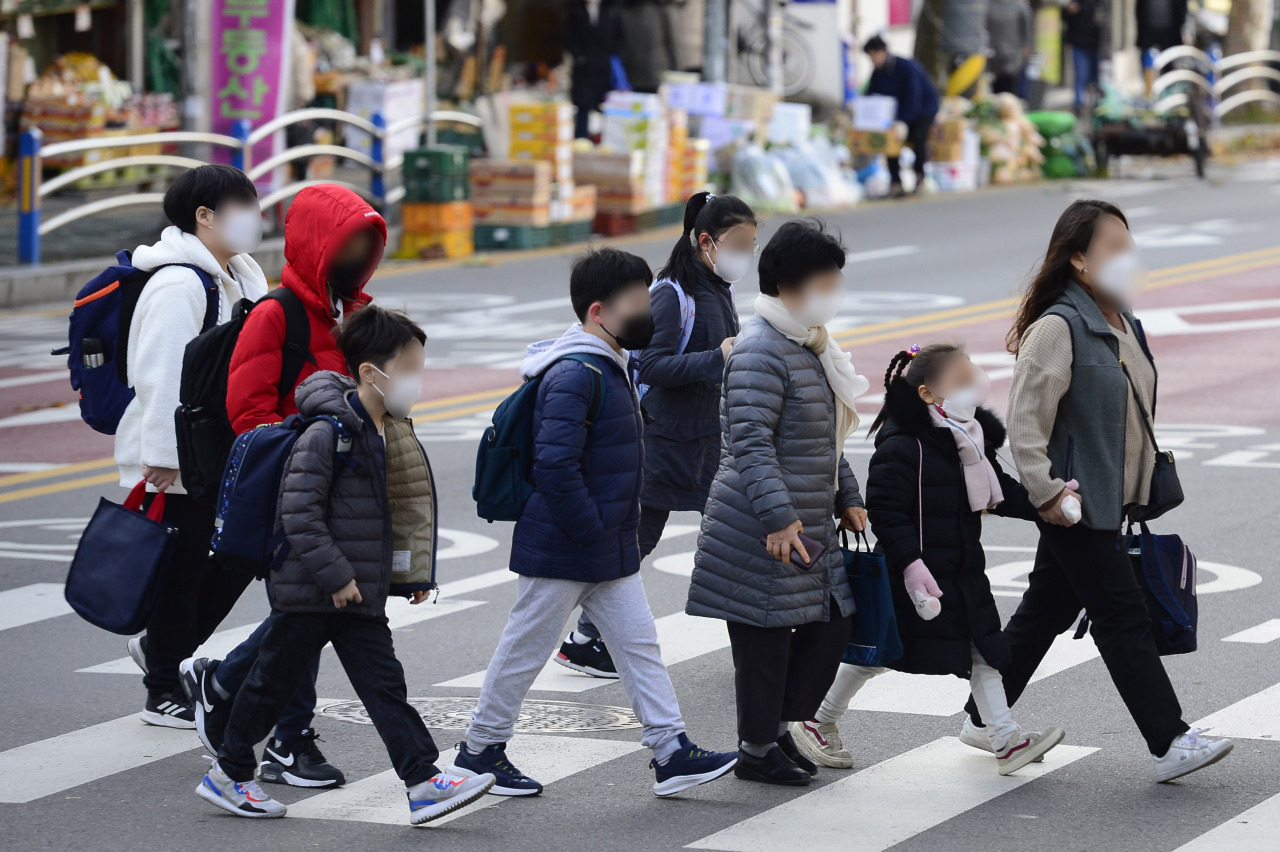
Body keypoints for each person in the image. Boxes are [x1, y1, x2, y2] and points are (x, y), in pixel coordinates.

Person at [960, 199, 1233, 783]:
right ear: (1079, 259)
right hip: (1075, 505)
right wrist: (1050, 495)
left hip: (1112, 501)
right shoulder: (1058, 329)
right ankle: (1170, 740)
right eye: (1114, 246)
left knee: (1045, 611)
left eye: (1128, 244)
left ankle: (982, 717)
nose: (1127, 256)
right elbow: (1024, 427)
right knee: (1121, 616)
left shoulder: (1124, 322)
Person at [450, 248, 738, 799]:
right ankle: (477, 753)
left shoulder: (611, 363)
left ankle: (671, 751)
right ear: (599, 311)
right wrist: (591, 529)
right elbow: (554, 465)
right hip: (570, 543)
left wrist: (608, 533)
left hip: (604, 545)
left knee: (639, 646)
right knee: (524, 649)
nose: (646, 313)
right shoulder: (575, 373)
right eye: (635, 303)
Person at [197, 306, 496, 823]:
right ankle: (229, 774)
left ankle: (424, 781)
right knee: (269, 685)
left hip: (355, 591)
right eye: (408, 369)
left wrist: (407, 578)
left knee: (384, 687)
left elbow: (381, 517)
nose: (415, 381)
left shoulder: (384, 429)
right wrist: (337, 577)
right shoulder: (326, 434)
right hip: (315, 588)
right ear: (369, 372)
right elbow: (299, 514)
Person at [180, 184, 388, 789]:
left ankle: (222, 684)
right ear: (319, 241)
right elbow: (247, 411)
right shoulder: (278, 314)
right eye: (348, 238)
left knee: (306, 613)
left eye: (367, 241)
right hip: (291, 488)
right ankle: (286, 740)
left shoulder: (352, 312)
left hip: (340, 488)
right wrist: (315, 449)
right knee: (306, 610)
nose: (358, 251)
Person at [791, 343, 1065, 775]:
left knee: (982, 651)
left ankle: (1004, 739)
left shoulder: (968, 438)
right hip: (915, 573)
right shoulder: (904, 446)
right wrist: (912, 567)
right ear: (926, 394)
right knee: (879, 652)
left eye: (972, 374)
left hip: (960, 570)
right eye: (961, 381)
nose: (974, 384)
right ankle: (817, 719)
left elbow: (1000, 492)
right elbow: (887, 512)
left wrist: (1048, 502)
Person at [687, 221, 869, 787]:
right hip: (761, 523)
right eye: (825, 280)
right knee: (765, 641)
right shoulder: (762, 349)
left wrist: (848, 497)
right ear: (790, 284)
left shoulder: (808, 343)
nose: (833, 292)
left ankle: (772, 731)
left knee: (830, 625)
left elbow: (821, 435)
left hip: (806, 517)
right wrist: (779, 519)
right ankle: (757, 749)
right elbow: (749, 444)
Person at [555, 192, 755, 680]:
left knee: (736, 536)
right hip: (664, 441)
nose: (746, 254)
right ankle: (585, 638)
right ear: (706, 241)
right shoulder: (672, 292)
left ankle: (755, 642)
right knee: (638, 539)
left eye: (752, 244)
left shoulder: (713, 286)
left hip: (706, 439)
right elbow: (653, 362)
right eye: (739, 243)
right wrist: (720, 357)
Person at [115, 164, 268, 728]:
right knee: (180, 570)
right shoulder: (180, 283)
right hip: (177, 455)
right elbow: (158, 373)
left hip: (222, 449)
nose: (255, 216)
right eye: (241, 205)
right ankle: (163, 689)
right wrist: (162, 456)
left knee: (240, 555)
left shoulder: (244, 276)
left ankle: (159, 645)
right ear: (203, 216)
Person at [865, 35, 940, 197]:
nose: (874, 60)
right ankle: (895, 182)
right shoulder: (877, 73)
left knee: (918, 139)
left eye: (875, 55)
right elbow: (872, 96)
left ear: (883, 52)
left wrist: (903, 121)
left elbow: (914, 97)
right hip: (897, 114)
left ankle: (920, 178)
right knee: (890, 143)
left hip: (923, 110)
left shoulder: (906, 68)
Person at [566, 0, 626, 139]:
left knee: (606, 107)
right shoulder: (575, 11)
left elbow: (620, 37)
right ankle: (581, 140)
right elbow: (569, 37)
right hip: (584, 69)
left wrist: (612, 58)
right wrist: (580, 57)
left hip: (605, 68)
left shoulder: (612, 10)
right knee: (583, 106)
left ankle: (605, 141)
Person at [988, 0, 1034, 95]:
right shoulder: (988, 4)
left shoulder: (1019, 5)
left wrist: (1027, 45)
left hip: (1012, 54)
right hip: (992, 55)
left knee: (1009, 90)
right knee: (993, 89)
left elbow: (1028, 27)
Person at [1063, 0, 1101, 111]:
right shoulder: (1076, 2)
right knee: (1081, 75)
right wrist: (1069, 12)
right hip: (1079, 44)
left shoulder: (1098, 3)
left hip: (1095, 44)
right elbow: (1064, 16)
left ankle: (1094, 102)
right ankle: (1079, 103)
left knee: (1094, 77)